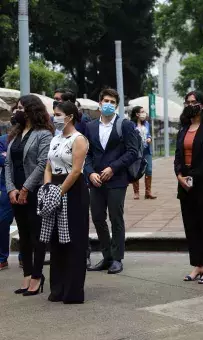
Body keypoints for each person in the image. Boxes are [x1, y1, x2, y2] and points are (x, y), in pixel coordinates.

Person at [85, 88, 138, 274]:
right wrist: (90, 172)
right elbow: (86, 153)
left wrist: (113, 168)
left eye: (113, 102)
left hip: (117, 179)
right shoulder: (90, 126)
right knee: (98, 217)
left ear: (117, 105)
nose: (109, 104)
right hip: (96, 181)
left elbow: (132, 152)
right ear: (99, 103)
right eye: (106, 100)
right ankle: (106, 256)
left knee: (116, 217)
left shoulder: (124, 125)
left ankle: (117, 258)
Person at [5, 95, 53, 295]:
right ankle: (26, 276)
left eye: (21, 107)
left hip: (33, 191)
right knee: (23, 235)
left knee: (36, 235)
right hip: (15, 192)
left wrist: (25, 188)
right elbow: (8, 164)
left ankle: (37, 276)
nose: (18, 111)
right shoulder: (15, 134)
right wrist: (11, 189)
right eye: (17, 107)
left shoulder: (43, 134)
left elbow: (43, 164)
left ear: (32, 109)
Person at [44, 101, 89, 304]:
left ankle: (72, 290)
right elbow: (48, 166)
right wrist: (47, 188)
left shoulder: (79, 139)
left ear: (70, 116)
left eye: (58, 114)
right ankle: (57, 288)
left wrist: (60, 192)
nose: (55, 118)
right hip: (54, 186)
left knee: (73, 238)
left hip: (73, 191)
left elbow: (76, 170)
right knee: (56, 240)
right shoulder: (55, 139)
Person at [174, 91, 203, 284]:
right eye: (188, 102)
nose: (190, 104)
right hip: (185, 186)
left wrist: (191, 176)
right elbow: (177, 157)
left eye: (194, 102)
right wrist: (179, 175)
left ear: (202, 105)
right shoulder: (183, 129)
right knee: (191, 227)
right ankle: (197, 265)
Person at [130, 106, 156, 200]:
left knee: (149, 170)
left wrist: (149, 137)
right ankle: (136, 192)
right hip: (136, 152)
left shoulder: (147, 124)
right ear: (137, 114)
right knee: (136, 170)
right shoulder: (131, 124)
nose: (144, 113)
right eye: (142, 112)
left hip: (146, 150)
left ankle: (148, 192)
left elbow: (148, 134)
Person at [0, 132, 14, 270]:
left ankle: (25, 257)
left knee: (27, 224)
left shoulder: (33, 136)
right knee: (2, 221)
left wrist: (7, 156)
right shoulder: (3, 139)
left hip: (28, 185)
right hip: (6, 187)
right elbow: (0, 160)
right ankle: (2, 258)